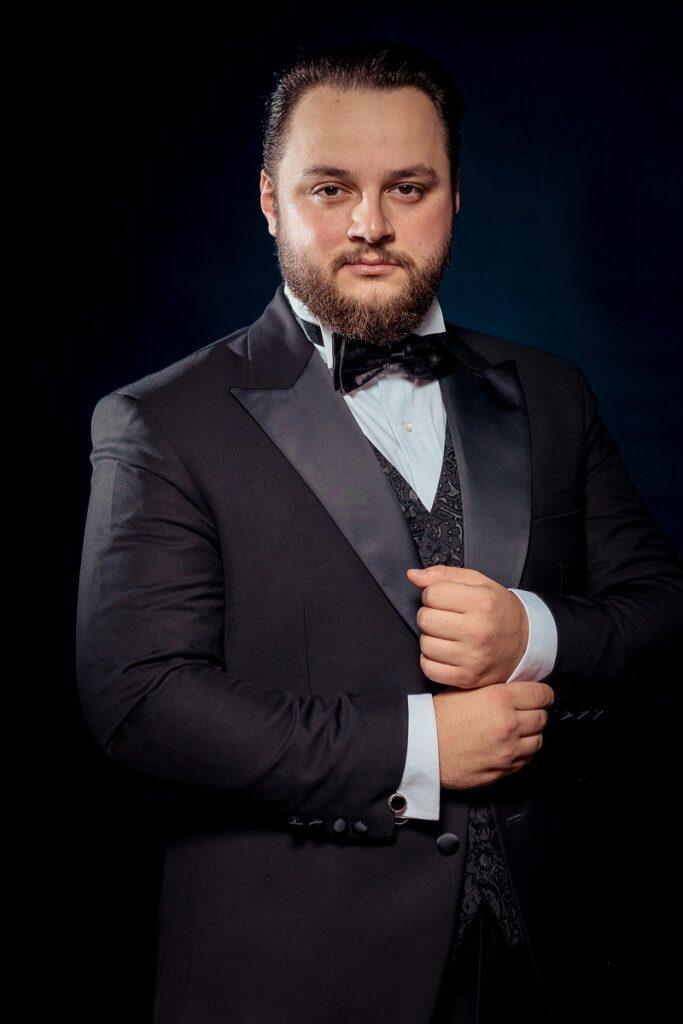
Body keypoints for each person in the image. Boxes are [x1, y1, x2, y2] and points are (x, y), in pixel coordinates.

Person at [76, 42, 683, 1023]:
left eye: (408, 187)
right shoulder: (159, 422)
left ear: (455, 197)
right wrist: (419, 746)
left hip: (554, 962)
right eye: (330, 189)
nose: (369, 224)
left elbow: (660, 611)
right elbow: (142, 703)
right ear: (269, 201)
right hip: (298, 978)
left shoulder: (551, 392)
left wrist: (532, 633)